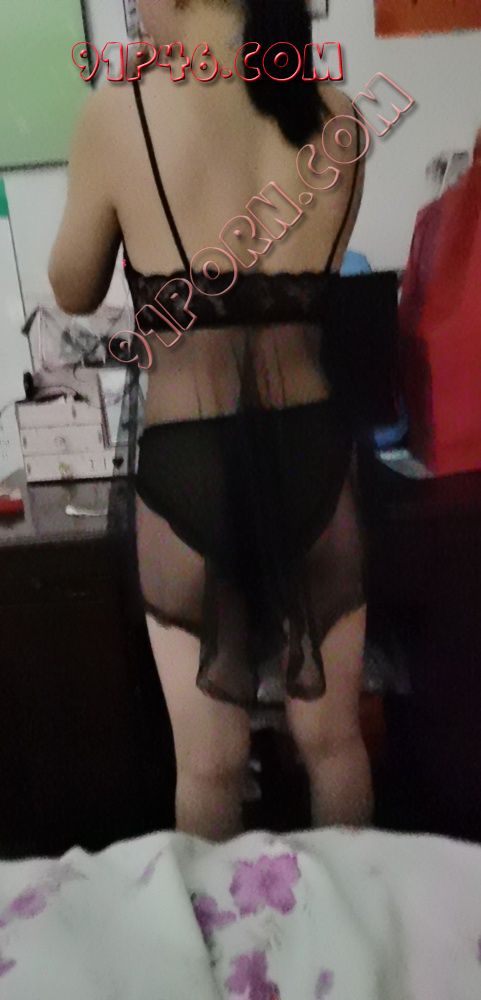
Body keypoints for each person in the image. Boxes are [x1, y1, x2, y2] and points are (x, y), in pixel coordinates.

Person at [49, 0, 373, 841]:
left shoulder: (118, 114)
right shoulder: (337, 115)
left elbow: (72, 289)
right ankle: (355, 924)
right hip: (313, 450)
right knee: (334, 743)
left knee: (208, 764)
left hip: (187, 459)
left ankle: (222, 923)